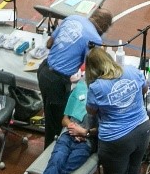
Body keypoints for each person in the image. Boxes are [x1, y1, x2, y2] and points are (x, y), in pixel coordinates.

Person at [85, 45, 149, 174]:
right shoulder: (131, 70)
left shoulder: (96, 87)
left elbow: (91, 112)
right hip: (142, 129)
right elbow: (145, 90)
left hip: (116, 139)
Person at [21, 76, 93, 174]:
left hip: (85, 143)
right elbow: (64, 119)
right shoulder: (80, 88)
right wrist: (73, 126)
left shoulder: (103, 100)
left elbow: (103, 130)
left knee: (64, 169)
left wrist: (84, 132)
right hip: (67, 136)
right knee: (56, 162)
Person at [39, 8, 113, 145]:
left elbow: (49, 44)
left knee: (50, 114)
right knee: (56, 124)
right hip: (56, 81)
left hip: (43, 71)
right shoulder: (94, 38)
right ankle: (50, 153)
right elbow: (93, 68)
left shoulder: (72, 18)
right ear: (103, 28)